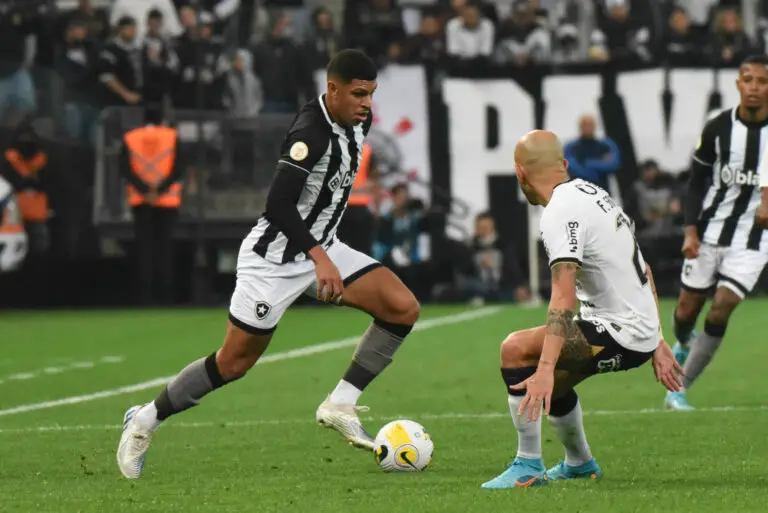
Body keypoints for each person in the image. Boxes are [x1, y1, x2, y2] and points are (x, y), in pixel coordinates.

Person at [116, 49, 421, 479]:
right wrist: (319, 258)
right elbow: (277, 203)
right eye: (358, 94)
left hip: (323, 247)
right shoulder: (309, 133)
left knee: (402, 308)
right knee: (233, 363)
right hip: (273, 260)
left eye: (371, 94)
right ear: (332, 89)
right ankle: (145, 419)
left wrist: (322, 252)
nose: (367, 103)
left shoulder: (359, 121)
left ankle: (340, 403)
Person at [480, 130, 681, 490]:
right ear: (564, 164)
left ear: (520, 172)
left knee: (515, 349)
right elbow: (642, 267)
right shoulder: (594, 194)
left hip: (620, 332)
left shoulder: (559, 212)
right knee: (555, 386)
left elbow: (563, 295)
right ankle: (580, 464)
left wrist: (544, 367)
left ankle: (527, 465)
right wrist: (658, 337)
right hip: (634, 330)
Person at [664, 55, 768, 411]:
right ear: (738, 84)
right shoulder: (718, 127)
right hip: (710, 231)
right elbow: (695, 184)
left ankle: (678, 390)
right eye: (748, 80)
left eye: (762, 82)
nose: (754, 87)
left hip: (754, 239)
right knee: (685, 312)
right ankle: (683, 341)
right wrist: (690, 232)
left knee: (721, 309)